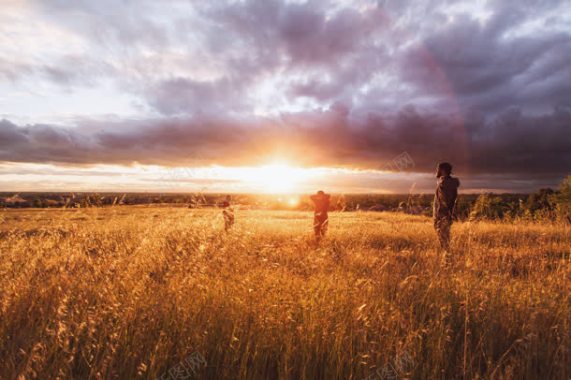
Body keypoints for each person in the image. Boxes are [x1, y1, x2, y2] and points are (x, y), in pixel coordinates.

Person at [434, 162, 460, 255]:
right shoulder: (450, 183)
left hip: (442, 215)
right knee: (445, 237)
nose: (437, 171)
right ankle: (447, 256)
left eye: (438, 169)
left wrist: (439, 216)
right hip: (447, 215)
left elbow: (444, 201)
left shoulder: (444, 184)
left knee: (443, 238)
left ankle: (447, 257)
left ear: (443, 170)